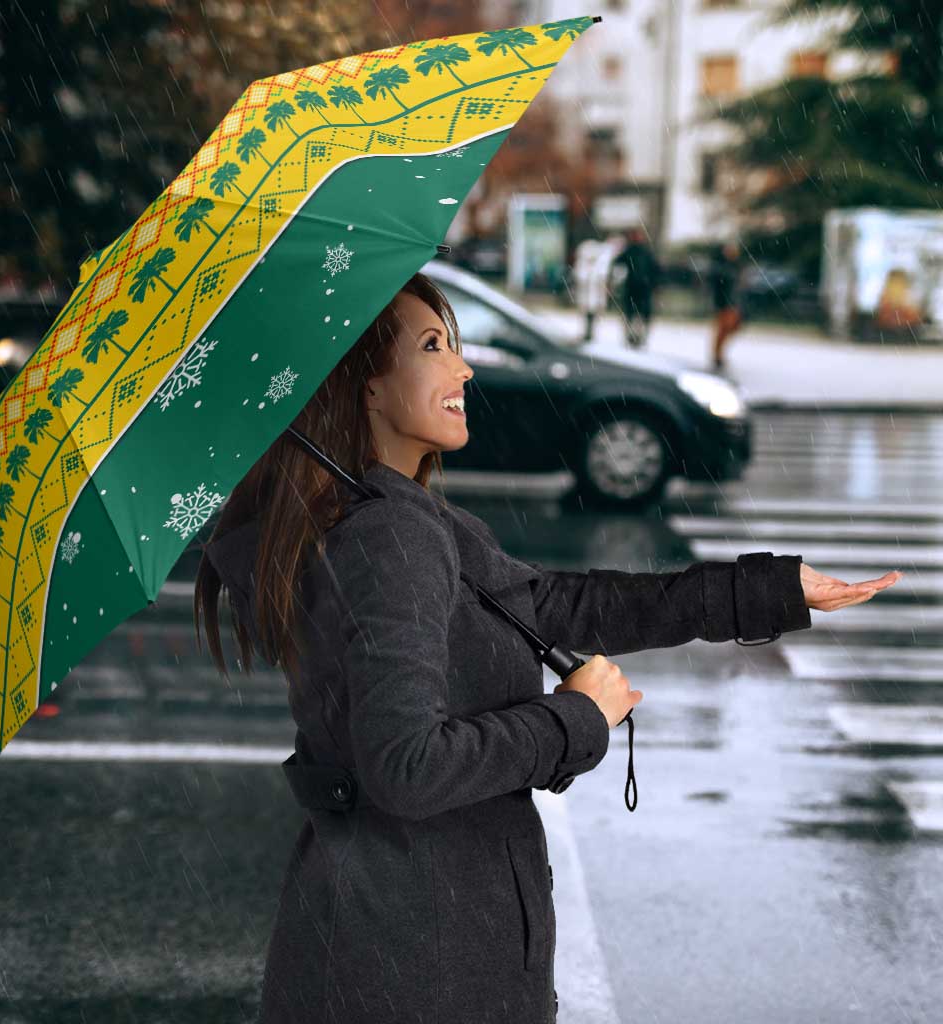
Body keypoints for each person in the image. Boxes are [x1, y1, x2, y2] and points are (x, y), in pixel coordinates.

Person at [194, 272, 890, 1024]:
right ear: (365, 386)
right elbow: (407, 767)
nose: (463, 368)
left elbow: (557, 605)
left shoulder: (391, 517)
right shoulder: (388, 537)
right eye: (434, 346)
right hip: (419, 963)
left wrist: (768, 591)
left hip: (398, 940)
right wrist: (576, 719)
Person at [611, 226, 661, 349]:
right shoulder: (631, 251)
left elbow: (655, 270)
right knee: (632, 314)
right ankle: (632, 337)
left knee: (639, 315)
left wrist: (654, 284)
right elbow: (617, 264)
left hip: (642, 288)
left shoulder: (644, 252)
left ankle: (638, 337)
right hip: (634, 288)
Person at [709, 239, 745, 370]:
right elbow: (718, 286)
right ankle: (717, 355)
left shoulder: (736, 266)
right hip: (724, 303)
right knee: (723, 329)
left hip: (733, 303)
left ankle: (718, 354)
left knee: (731, 328)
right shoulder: (721, 267)